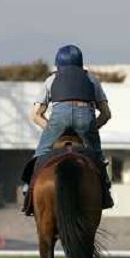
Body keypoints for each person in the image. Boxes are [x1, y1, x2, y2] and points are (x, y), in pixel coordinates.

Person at [22, 44, 114, 210]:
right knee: (96, 155)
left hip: (59, 118)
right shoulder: (92, 79)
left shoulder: (51, 80)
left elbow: (35, 114)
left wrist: (52, 130)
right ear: (80, 63)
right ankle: (105, 191)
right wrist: (91, 128)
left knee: (41, 153)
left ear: (58, 64)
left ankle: (28, 189)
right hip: (85, 117)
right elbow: (106, 114)